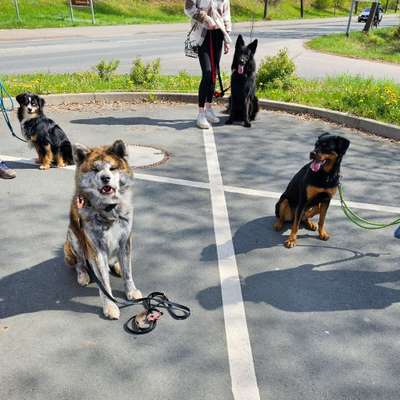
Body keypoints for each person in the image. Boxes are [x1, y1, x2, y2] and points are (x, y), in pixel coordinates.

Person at [184, 0, 232, 129]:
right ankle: (201, 114)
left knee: (214, 74)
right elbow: (188, 8)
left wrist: (227, 37)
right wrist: (205, 18)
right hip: (202, 35)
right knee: (207, 72)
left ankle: (209, 108)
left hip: (218, 35)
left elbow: (226, 13)